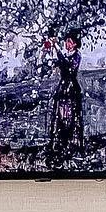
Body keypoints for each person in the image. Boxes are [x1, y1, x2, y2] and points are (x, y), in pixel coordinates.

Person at [44, 29, 84, 165]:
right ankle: (59, 145)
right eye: (66, 41)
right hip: (63, 89)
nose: (67, 44)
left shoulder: (76, 56)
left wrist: (56, 48)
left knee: (71, 118)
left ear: (75, 44)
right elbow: (59, 64)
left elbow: (69, 69)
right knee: (60, 117)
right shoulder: (66, 56)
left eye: (69, 42)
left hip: (71, 90)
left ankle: (72, 146)